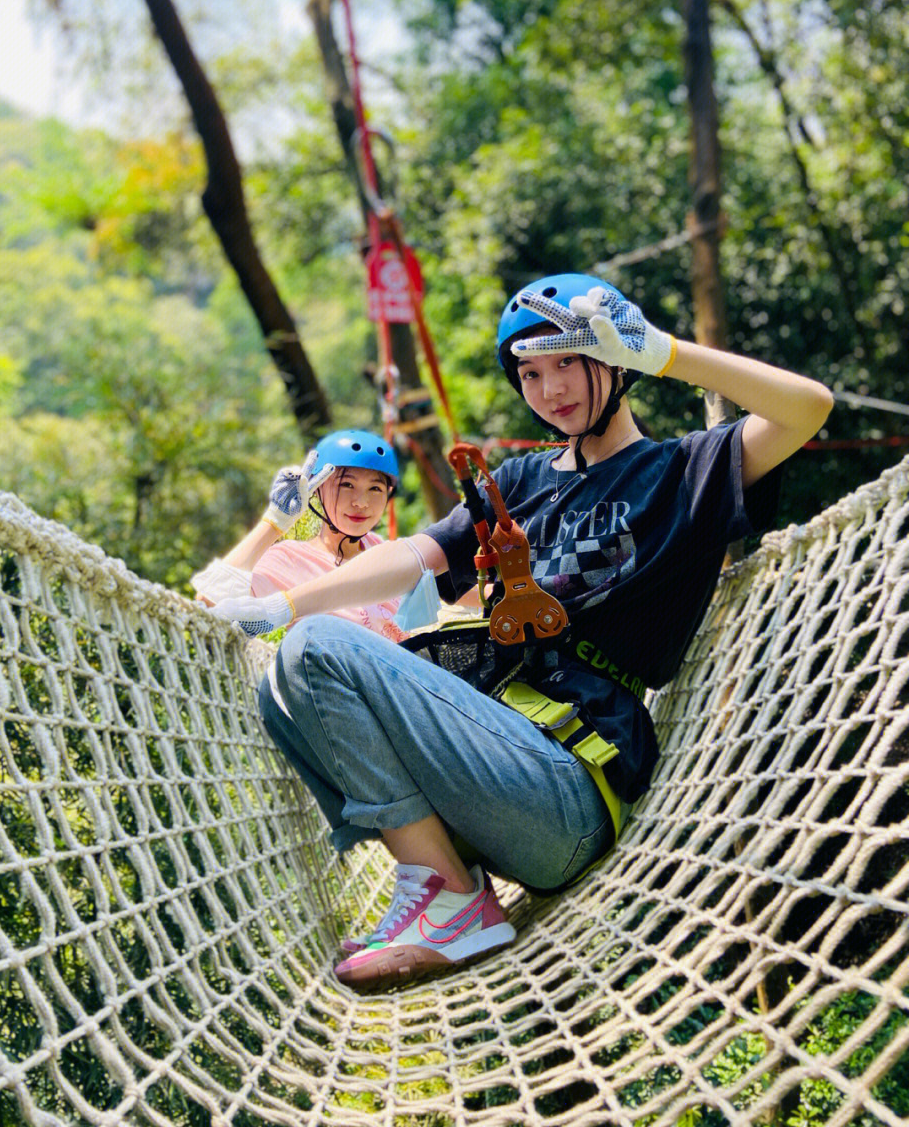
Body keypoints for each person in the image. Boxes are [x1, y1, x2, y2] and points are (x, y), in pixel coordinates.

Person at [209, 274, 833, 990]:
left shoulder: (681, 472)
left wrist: (663, 351)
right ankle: (442, 884)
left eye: (570, 360)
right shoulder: (522, 481)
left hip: (566, 781)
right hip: (486, 771)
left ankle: (449, 899)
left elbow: (807, 408)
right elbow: (411, 555)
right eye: (530, 372)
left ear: (614, 362)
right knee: (288, 676)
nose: (551, 388)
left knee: (319, 651)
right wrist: (287, 604)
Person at [192, 428, 411, 644]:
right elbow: (207, 607)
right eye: (347, 485)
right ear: (317, 487)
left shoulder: (383, 551)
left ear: (388, 494)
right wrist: (275, 521)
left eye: (375, 489)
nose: (361, 502)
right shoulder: (290, 560)